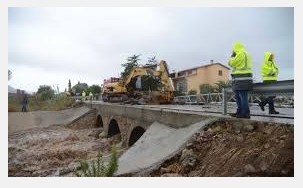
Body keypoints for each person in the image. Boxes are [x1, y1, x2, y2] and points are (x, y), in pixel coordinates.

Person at [228, 41, 253, 118]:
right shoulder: (246, 53)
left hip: (241, 78)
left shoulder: (240, 54)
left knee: (242, 97)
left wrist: (232, 56)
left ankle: (245, 113)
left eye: (233, 49)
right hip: (240, 78)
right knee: (238, 96)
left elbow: (231, 63)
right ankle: (240, 112)